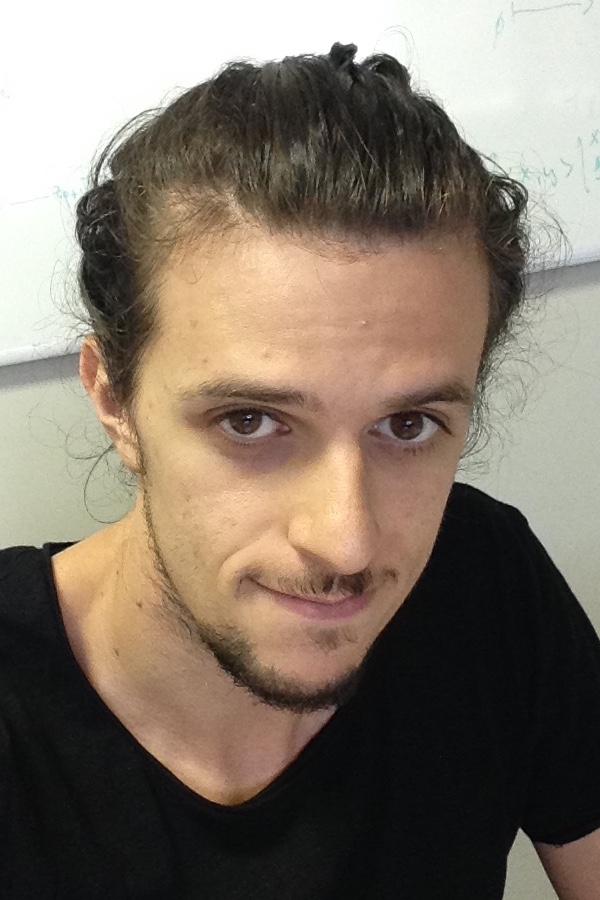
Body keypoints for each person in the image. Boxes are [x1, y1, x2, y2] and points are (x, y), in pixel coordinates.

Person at [0, 41, 598, 900]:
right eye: (250, 422)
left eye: (407, 425)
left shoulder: (485, 585)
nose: (346, 541)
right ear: (114, 398)